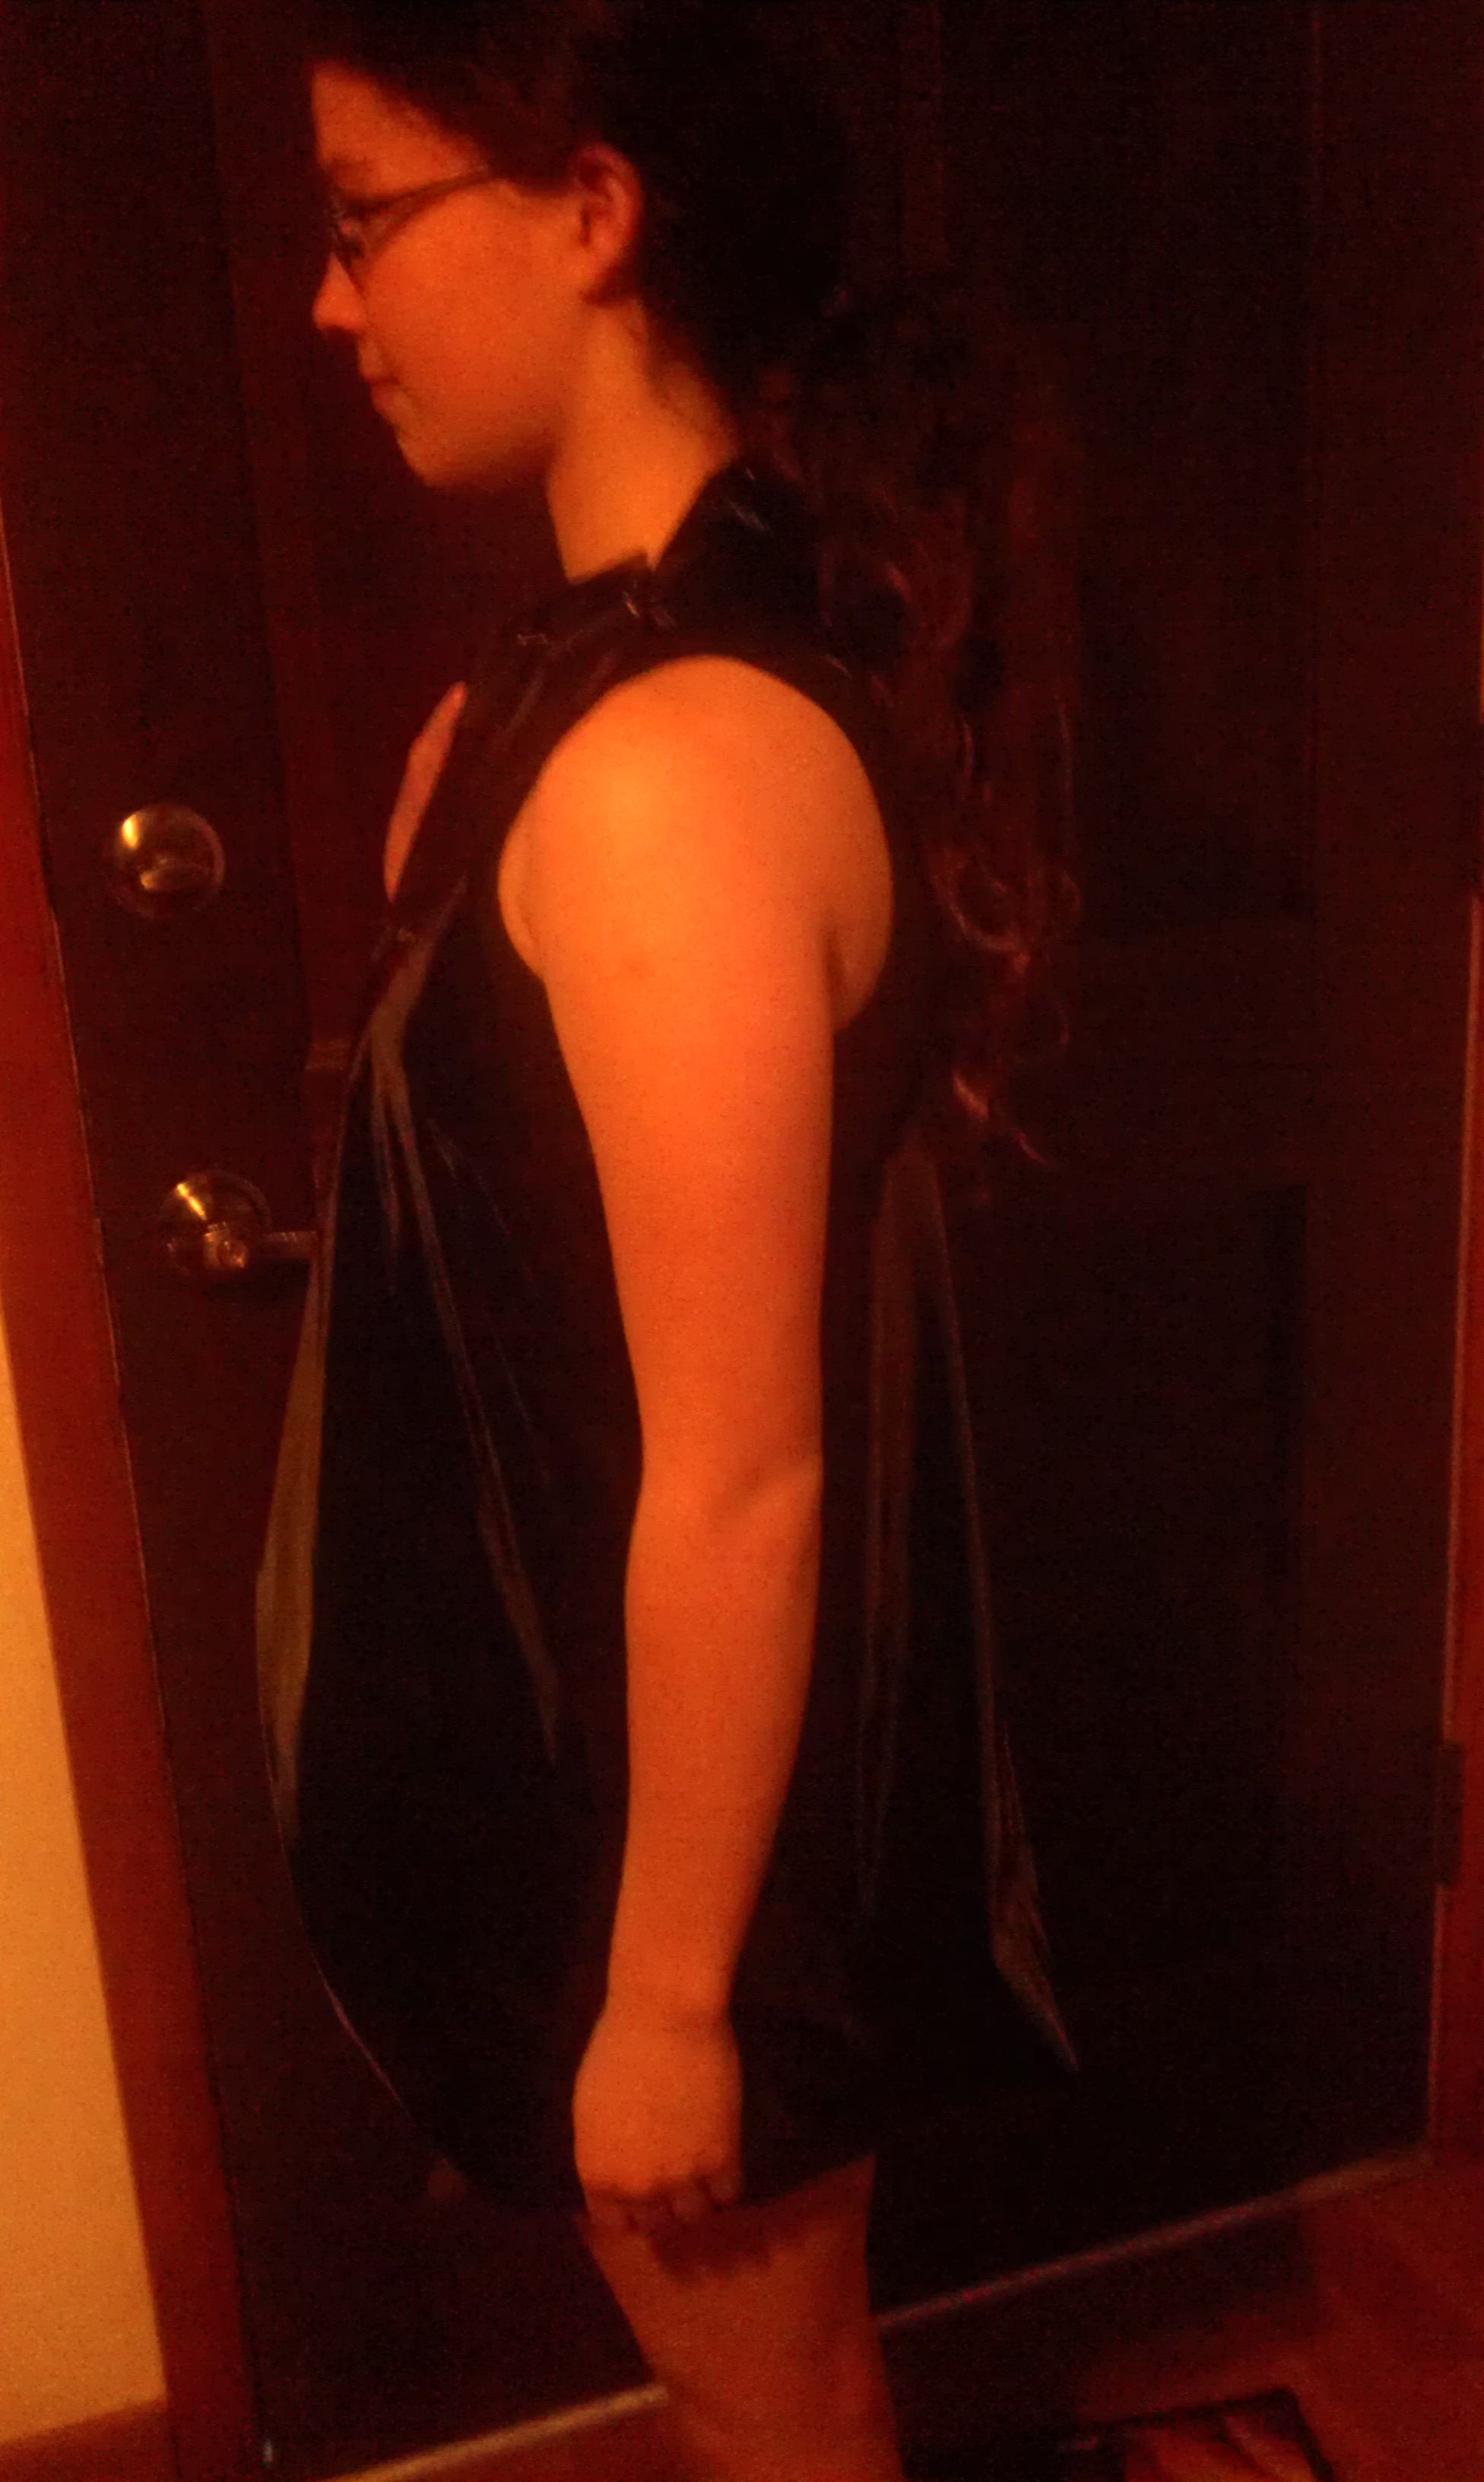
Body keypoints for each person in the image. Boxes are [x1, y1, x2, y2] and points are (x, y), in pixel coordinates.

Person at [257, 5, 1077, 2477]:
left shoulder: (666, 770)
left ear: (594, 211)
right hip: (606, 1760)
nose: (330, 298)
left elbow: (738, 1471)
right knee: (738, 2385)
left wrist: (675, 1996)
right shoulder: (585, 698)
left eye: (365, 218)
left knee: (773, 2396)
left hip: (684, 1822)